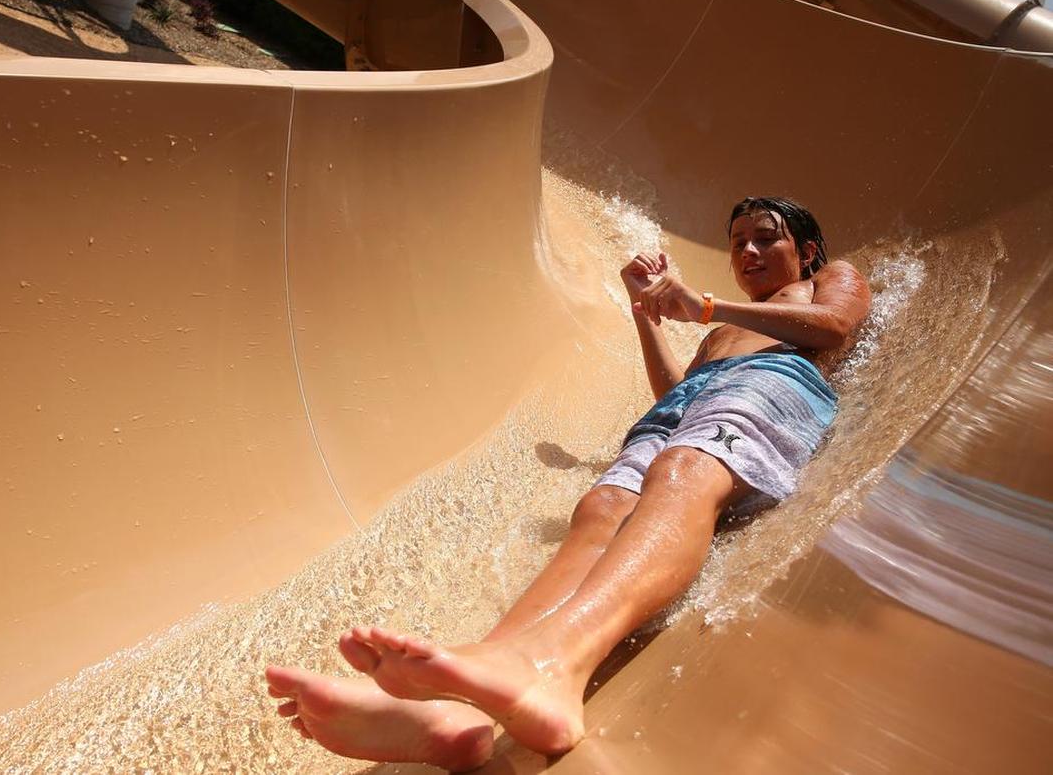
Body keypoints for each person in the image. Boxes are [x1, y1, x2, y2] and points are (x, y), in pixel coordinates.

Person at [266, 196, 871, 768]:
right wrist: (648, 314)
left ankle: (556, 667)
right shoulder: (720, 334)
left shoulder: (828, 279)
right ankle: (455, 710)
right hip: (689, 402)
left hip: (772, 381)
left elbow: (834, 327)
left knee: (682, 471)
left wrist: (705, 306)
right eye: (738, 243)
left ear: (809, 249)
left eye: (766, 238)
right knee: (604, 504)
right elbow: (674, 388)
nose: (748, 253)